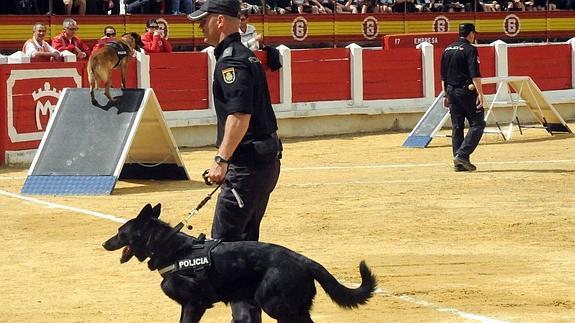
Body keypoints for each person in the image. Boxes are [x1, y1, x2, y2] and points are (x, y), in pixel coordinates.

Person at [187, 0, 282, 321]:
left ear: (219, 22)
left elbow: (240, 115)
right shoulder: (244, 57)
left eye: (203, 21)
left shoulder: (233, 62)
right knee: (245, 247)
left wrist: (221, 160)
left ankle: (244, 319)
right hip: (262, 163)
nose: (199, 27)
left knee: (225, 253)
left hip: (246, 166)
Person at [440, 23, 485, 172]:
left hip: (451, 91)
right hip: (466, 92)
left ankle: (458, 163)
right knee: (478, 123)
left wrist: (445, 94)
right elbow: (475, 74)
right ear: (471, 34)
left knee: (457, 127)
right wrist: (480, 93)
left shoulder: (447, 49)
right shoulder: (470, 49)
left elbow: (443, 77)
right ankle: (462, 155)